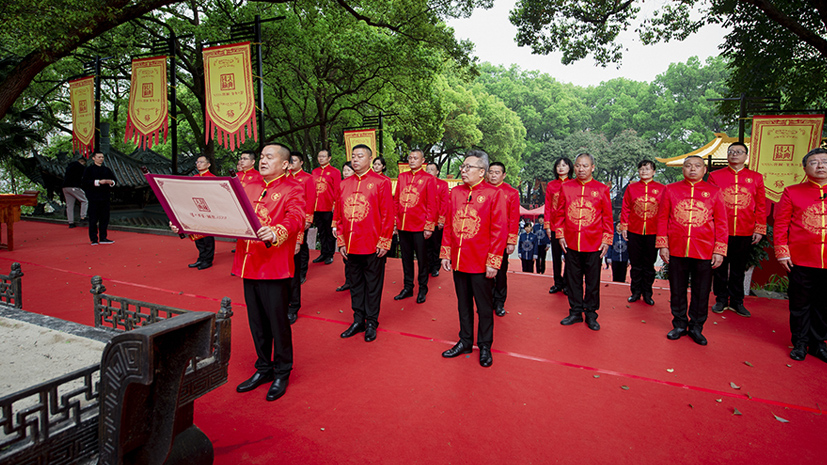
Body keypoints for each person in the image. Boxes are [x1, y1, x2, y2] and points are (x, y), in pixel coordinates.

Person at [233, 143, 305, 401]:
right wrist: (190, 225)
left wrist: (277, 231)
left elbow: (296, 217)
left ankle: (282, 371)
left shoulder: (293, 188)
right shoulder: (247, 186)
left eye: (269, 157)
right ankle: (263, 367)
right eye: (261, 156)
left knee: (277, 323)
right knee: (257, 323)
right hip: (248, 264)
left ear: (285, 164)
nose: (263, 160)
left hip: (274, 267)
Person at [440, 150, 507, 367]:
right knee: (463, 303)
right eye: (463, 166)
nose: (463, 170)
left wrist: (493, 261)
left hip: (481, 262)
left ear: (482, 172)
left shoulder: (494, 194)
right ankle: (465, 340)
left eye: (468, 167)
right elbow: (449, 224)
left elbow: (499, 229)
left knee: (484, 306)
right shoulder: (456, 192)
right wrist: (446, 253)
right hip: (459, 260)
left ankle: (485, 345)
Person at [657, 155, 728, 346]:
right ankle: (679, 324)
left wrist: (719, 250)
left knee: (701, 290)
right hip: (677, 248)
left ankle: (696, 326)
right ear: (683, 169)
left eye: (697, 166)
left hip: (704, 249)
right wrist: (663, 244)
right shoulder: (671, 189)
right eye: (688, 166)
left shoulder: (714, 192)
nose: (692, 169)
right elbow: (663, 218)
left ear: (705, 170)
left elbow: (721, 222)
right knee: (677, 289)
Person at [335, 144, 394, 342]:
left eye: (360, 156)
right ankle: (358, 319)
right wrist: (341, 240)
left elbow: (387, 214)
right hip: (350, 245)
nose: (355, 159)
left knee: (373, 285)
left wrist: (384, 241)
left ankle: (371, 322)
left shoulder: (381, 182)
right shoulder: (344, 184)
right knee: (356, 284)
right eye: (353, 156)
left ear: (370, 159)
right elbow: (339, 215)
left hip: (372, 243)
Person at [774, 147, 827, 363]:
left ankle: (818, 343)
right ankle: (800, 342)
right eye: (814, 162)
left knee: (824, 304)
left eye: (824, 161)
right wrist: (782, 251)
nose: (820, 165)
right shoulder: (792, 191)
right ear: (805, 168)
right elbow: (781, 224)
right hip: (801, 259)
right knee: (800, 303)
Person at [708, 142, 767, 318]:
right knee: (720, 266)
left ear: (746, 156)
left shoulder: (755, 178)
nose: (734, 154)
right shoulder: (715, 176)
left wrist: (759, 228)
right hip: (721, 230)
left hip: (745, 228)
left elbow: (761, 205)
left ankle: (737, 301)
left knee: (738, 267)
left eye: (739, 152)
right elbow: (710, 202)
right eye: (731, 152)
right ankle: (720, 299)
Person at [554, 153, 613, 331]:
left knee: (592, 282)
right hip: (571, 242)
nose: (581, 169)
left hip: (594, 243)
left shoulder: (602, 189)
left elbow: (608, 217)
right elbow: (560, 213)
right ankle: (575, 312)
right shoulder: (566, 187)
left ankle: (591, 314)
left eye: (585, 166)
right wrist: (560, 235)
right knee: (573, 280)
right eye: (578, 166)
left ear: (592, 167)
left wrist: (607, 239)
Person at [393, 149, 437, 304]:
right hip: (403, 226)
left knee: (422, 259)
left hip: (420, 226)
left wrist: (429, 226)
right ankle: (408, 287)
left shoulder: (428, 179)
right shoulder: (402, 177)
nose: (411, 160)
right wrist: (396, 222)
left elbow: (432, 204)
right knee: (405, 259)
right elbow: (397, 200)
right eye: (410, 158)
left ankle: (423, 288)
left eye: (415, 158)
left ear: (422, 160)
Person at [620, 159, 664, 305]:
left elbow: (665, 211)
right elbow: (626, 207)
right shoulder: (632, 188)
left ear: (654, 171)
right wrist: (624, 227)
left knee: (649, 264)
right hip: (635, 230)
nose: (644, 171)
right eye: (641, 169)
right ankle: (635, 291)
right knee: (635, 263)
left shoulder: (662, 189)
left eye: (647, 169)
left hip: (653, 231)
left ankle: (647, 293)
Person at [287, 151, 317, 324]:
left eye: (294, 161)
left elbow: (310, 199)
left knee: (299, 255)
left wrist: (308, 219)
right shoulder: (282, 180)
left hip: (298, 225)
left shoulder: (306, 178)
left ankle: (293, 305)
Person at [487, 161, 520, 317]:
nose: (493, 175)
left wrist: (511, 241)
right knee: (483, 271)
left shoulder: (511, 193)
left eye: (497, 172)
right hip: (483, 239)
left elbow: (514, 218)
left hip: (501, 239)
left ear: (504, 174)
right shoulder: (482, 190)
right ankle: (487, 299)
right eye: (491, 172)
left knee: (500, 272)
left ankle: (499, 302)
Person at [180, 155, 217, 270]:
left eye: (201, 162)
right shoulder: (194, 177)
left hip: (207, 211)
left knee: (207, 237)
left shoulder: (213, 178)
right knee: (197, 236)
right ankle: (201, 258)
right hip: (195, 211)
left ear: (208, 164)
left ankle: (208, 260)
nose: (198, 164)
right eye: (197, 162)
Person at [545, 157, 575, 294]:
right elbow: (548, 207)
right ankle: (557, 282)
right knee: (556, 256)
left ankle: (568, 284)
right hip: (554, 226)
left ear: (570, 168)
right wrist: (547, 226)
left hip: (570, 227)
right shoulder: (551, 185)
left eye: (564, 165)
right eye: (558, 165)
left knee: (569, 257)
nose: (561, 168)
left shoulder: (575, 184)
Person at [311, 149, 341, 265]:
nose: (321, 158)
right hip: (316, 207)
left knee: (329, 232)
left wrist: (335, 204)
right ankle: (323, 253)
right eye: (319, 156)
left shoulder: (335, 172)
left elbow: (337, 190)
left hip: (328, 206)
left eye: (323, 156)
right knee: (321, 232)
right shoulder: (314, 172)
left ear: (329, 158)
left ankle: (330, 254)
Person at [82, 151, 116, 245]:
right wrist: (99, 182)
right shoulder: (89, 170)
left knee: (104, 218)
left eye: (102, 157)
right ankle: (93, 239)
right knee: (93, 219)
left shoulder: (107, 170)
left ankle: (103, 237)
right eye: (99, 157)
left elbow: (114, 181)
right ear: (94, 158)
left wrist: (110, 182)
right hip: (93, 197)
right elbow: (85, 182)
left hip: (105, 197)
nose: (101, 159)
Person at [334, 161, 355, 293]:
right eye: (344, 170)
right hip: (345, 227)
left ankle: (355, 282)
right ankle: (348, 281)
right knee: (346, 256)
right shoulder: (342, 185)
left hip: (358, 228)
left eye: (348, 170)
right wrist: (334, 225)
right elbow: (337, 207)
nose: (345, 173)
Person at [425, 162, 449, 278]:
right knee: (426, 245)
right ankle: (427, 266)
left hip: (436, 220)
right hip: (424, 220)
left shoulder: (442, 184)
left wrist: (441, 220)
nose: (429, 171)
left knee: (435, 245)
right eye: (427, 169)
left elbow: (444, 203)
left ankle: (435, 267)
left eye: (432, 169)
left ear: (437, 172)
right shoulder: (423, 183)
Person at [63, 156, 88, 228]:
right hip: (74, 187)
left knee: (69, 205)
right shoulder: (80, 167)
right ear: (82, 161)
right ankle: (83, 217)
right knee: (84, 200)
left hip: (65, 187)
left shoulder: (69, 166)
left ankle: (71, 222)